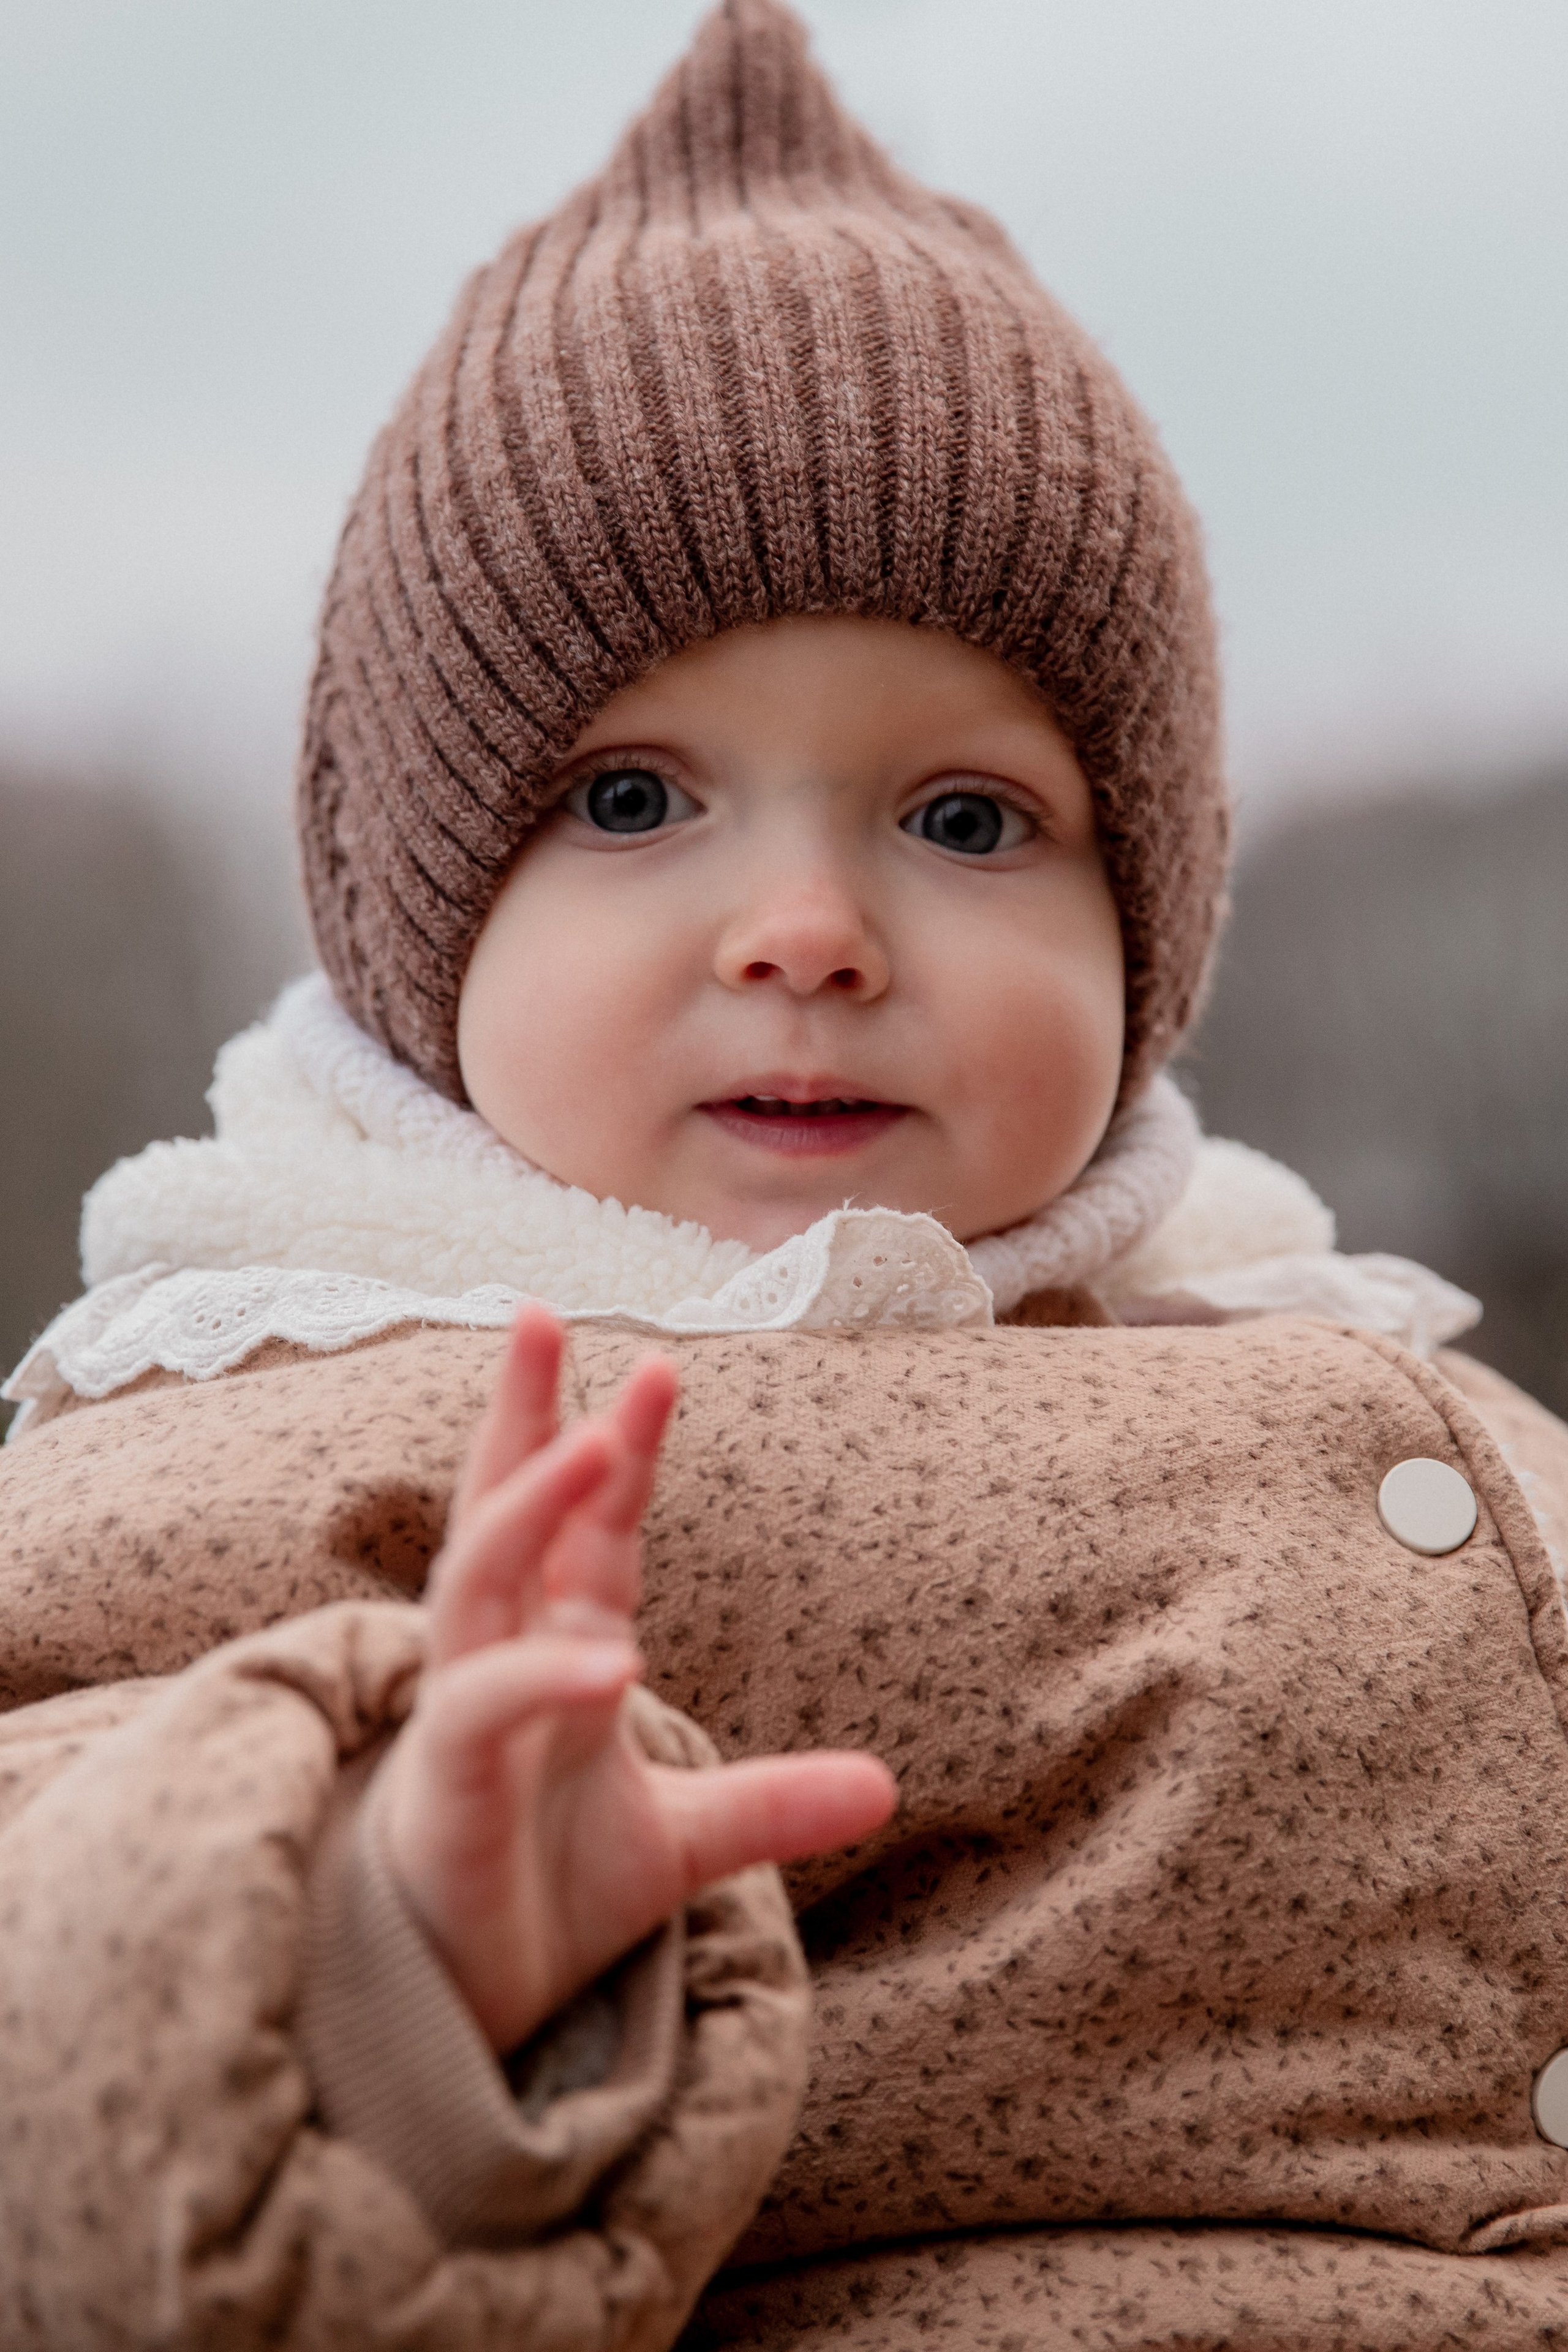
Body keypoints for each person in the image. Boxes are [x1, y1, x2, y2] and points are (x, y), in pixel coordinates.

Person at [5, 3, 1568, 2345]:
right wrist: (395, 1954)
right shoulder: (287, 1420)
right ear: (419, 920)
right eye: (634, 800)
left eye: (968, 818)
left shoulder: (1330, 1346)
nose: (811, 932)